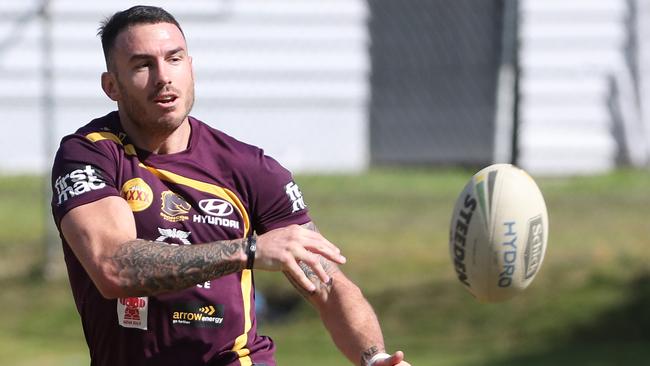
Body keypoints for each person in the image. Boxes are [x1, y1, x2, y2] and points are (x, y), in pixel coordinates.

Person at [50, 5, 411, 366]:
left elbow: (328, 286)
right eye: (143, 65)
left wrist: (374, 357)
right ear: (112, 85)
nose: (164, 77)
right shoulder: (91, 155)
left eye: (174, 59)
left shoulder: (249, 169)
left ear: (190, 67)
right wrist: (248, 251)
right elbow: (113, 267)